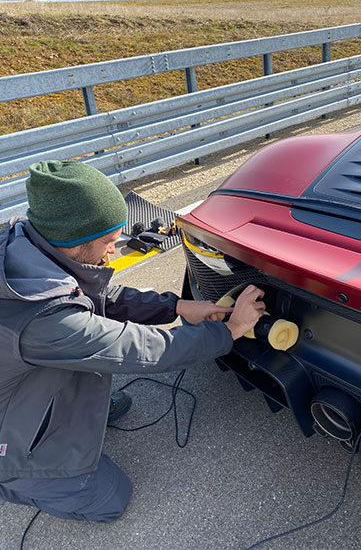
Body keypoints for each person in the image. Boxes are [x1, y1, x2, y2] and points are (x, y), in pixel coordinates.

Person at [0, 160, 265, 524]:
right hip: (7, 437)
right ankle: (13, 478)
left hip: (15, 378)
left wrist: (177, 305)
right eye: (109, 242)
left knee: (91, 381)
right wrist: (230, 331)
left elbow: (99, 294)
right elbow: (142, 349)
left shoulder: (28, 243)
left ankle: (64, 420)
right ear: (76, 244)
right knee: (111, 499)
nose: (113, 252)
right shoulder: (44, 317)